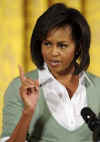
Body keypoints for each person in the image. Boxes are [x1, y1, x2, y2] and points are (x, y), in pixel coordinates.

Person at [0, 2, 100, 142]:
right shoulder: (20, 88)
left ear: (78, 47)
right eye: (47, 44)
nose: (53, 53)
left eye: (62, 46)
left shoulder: (97, 87)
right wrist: (27, 113)